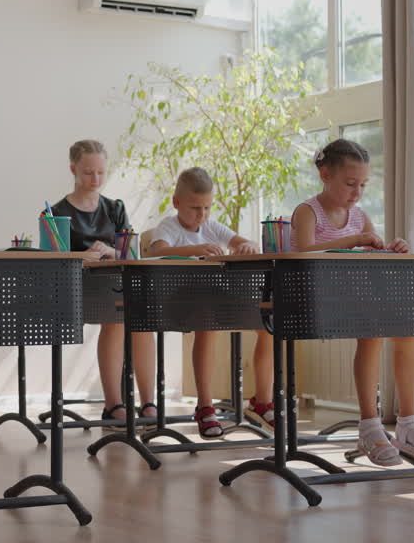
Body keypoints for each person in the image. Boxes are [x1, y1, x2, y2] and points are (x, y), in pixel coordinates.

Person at [290, 138, 414, 465]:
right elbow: (299, 254)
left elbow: (373, 257)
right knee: (372, 331)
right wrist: (354, 240)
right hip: (320, 298)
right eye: (349, 183)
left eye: (362, 185)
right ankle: (369, 425)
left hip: (358, 296)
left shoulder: (359, 217)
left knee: (408, 330)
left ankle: (408, 423)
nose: (357, 192)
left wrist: (392, 249)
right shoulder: (307, 212)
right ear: (325, 175)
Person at [49, 140, 155, 429]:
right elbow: (52, 260)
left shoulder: (114, 208)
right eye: (87, 173)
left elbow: (131, 252)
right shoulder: (57, 213)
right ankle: (114, 404)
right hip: (77, 288)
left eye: (100, 173)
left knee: (141, 317)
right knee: (118, 315)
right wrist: (82, 256)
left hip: (114, 285)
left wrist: (111, 251)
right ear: (73, 169)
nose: (95, 179)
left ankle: (148, 402)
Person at [146, 167, 260, 437]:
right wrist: (195, 250)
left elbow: (245, 241)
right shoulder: (168, 227)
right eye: (195, 208)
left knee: (264, 319)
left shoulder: (210, 226)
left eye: (207, 208)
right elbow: (156, 250)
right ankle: (205, 406)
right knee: (206, 321)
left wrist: (247, 245)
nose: (202, 215)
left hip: (213, 298)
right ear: (176, 203)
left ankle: (262, 401)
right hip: (177, 302)